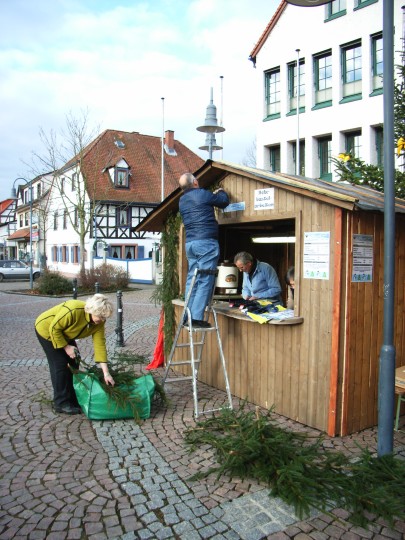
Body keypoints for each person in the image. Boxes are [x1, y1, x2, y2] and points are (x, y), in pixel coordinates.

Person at [35, 294, 115, 415]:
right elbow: (54, 328)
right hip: (47, 330)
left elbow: (100, 345)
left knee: (74, 362)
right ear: (92, 310)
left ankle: (72, 399)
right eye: (100, 316)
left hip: (65, 334)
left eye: (105, 318)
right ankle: (61, 403)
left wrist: (106, 373)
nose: (102, 320)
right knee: (60, 364)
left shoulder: (99, 323)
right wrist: (66, 347)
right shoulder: (73, 310)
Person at [178, 172, 229, 328]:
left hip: (191, 244)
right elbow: (224, 201)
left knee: (192, 280)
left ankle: (187, 316)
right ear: (195, 182)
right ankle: (197, 318)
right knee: (205, 279)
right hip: (206, 242)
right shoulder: (202, 194)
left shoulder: (182, 200)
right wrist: (220, 191)